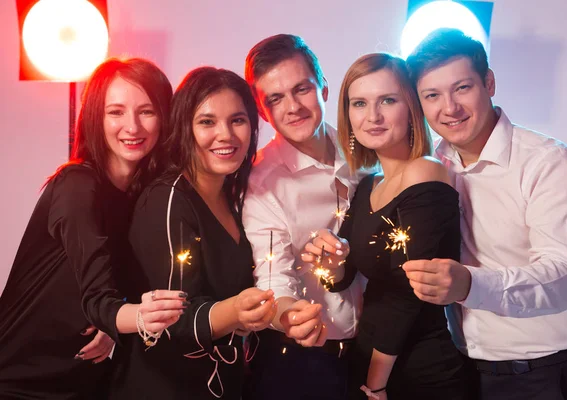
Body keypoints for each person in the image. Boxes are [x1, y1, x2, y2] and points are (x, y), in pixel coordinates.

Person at [402, 28, 567, 400]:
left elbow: (564, 276)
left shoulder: (548, 162)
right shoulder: (433, 166)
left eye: (462, 88)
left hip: (541, 372)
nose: (450, 108)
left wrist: (470, 285)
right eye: (432, 95)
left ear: (489, 83)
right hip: (462, 371)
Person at [0, 58, 186, 399]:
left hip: (87, 380)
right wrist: (120, 317)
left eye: (147, 111)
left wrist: (116, 323)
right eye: (115, 112)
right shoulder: (76, 184)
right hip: (18, 378)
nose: (132, 126)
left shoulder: (149, 197)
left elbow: (129, 279)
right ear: (95, 118)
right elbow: (98, 291)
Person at [303, 52, 473, 400]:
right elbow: (345, 277)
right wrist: (332, 264)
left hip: (421, 371)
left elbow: (407, 296)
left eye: (388, 100)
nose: (373, 116)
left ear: (411, 108)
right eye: (360, 103)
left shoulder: (426, 172)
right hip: (369, 362)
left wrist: (375, 384)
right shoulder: (368, 185)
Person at [109, 66, 277, 399]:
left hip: (221, 384)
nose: (225, 135)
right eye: (207, 122)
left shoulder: (236, 195)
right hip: (163, 387)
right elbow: (171, 318)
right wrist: (236, 310)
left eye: (238, 120)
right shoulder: (168, 198)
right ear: (184, 127)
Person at [241, 34, 370, 400]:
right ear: (263, 110)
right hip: (304, 358)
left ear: (324, 88)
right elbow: (273, 277)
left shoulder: (366, 149)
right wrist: (290, 318)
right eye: (275, 99)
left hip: (378, 348)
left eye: (302, 89)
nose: (293, 106)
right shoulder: (262, 181)